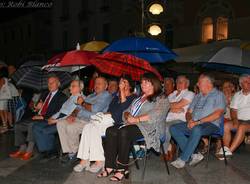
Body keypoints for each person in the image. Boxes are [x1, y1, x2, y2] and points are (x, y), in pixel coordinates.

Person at [98, 73, 169, 182]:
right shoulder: (139, 98)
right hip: (133, 125)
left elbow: (157, 114)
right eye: (142, 82)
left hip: (150, 128)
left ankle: (122, 169)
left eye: (146, 82)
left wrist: (136, 119)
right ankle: (110, 166)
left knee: (124, 132)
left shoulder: (161, 98)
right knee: (111, 130)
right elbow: (126, 111)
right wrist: (128, 116)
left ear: (154, 83)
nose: (142, 84)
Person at [73, 76, 137, 173]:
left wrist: (110, 113)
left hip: (118, 123)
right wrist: (107, 113)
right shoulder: (116, 98)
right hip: (107, 120)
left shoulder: (133, 98)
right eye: (121, 82)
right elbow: (110, 110)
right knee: (88, 127)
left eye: (125, 83)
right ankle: (84, 160)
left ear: (130, 86)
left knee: (93, 128)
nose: (122, 85)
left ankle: (99, 161)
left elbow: (123, 110)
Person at [170, 73, 226, 169]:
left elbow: (217, 114)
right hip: (194, 123)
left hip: (211, 124)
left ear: (208, 83)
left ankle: (183, 159)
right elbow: (189, 112)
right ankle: (195, 154)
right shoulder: (198, 96)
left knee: (197, 129)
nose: (197, 84)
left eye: (199, 82)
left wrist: (198, 122)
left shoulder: (218, 95)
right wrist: (189, 120)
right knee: (173, 128)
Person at [9, 75, 67, 160]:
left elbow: (58, 113)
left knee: (31, 125)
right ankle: (22, 148)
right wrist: (36, 108)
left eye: (52, 82)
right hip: (38, 117)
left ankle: (29, 151)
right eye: (48, 83)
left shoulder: (62, 97)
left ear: (58, 84)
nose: (50, 84)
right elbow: (37, 107)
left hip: (47, 119)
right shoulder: (45, 93)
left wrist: (43, 117)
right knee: (17, 125)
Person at [57, 76, 112, 164]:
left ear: (105, 86)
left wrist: (82, 103)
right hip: (79, 118)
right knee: (60, 124)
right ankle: (70, 151)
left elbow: (95, 109)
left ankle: (74, 153)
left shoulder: (106, 95)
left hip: (91, 121)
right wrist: (73, 115)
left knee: (71, 127)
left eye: (99, 83)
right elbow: (77, 108)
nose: (96, 85)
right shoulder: (91, 95)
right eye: (95, 83)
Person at [32, 80, 84, 157]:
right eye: (70, 86)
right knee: (36, 127)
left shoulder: (80, 100)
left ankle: (52, 151)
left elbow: (70, 115)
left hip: (65, 120)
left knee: (45, 130)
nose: (70, 88)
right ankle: (46, 150)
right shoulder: (71, 98)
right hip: (59, 117)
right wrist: (52, 118)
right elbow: (60, 111)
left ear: (80, 88)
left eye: (73, 86)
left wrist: (55, 121)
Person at [217, 74, 250, 159]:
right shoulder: (237, 95)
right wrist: (235, 120)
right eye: (246, 81)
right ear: (241, 84)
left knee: (242, 127)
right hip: (240, 120)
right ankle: (225, 149)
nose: (249, 83)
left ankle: (228, 152)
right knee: (226, 125)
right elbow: (233, 110)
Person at [162, 75, 194, 161]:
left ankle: (164, 151)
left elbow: (179, 104)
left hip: (180, 121)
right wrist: (173, 108)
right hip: (167, 119)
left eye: (181, 82)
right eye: (177, 82)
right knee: (156, 125)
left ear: (187, 84)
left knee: (166, 127)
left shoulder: (190, 94)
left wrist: (169, 108)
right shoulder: (172, 94)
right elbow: (162, 106)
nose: (178, 84)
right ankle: (169, 146)